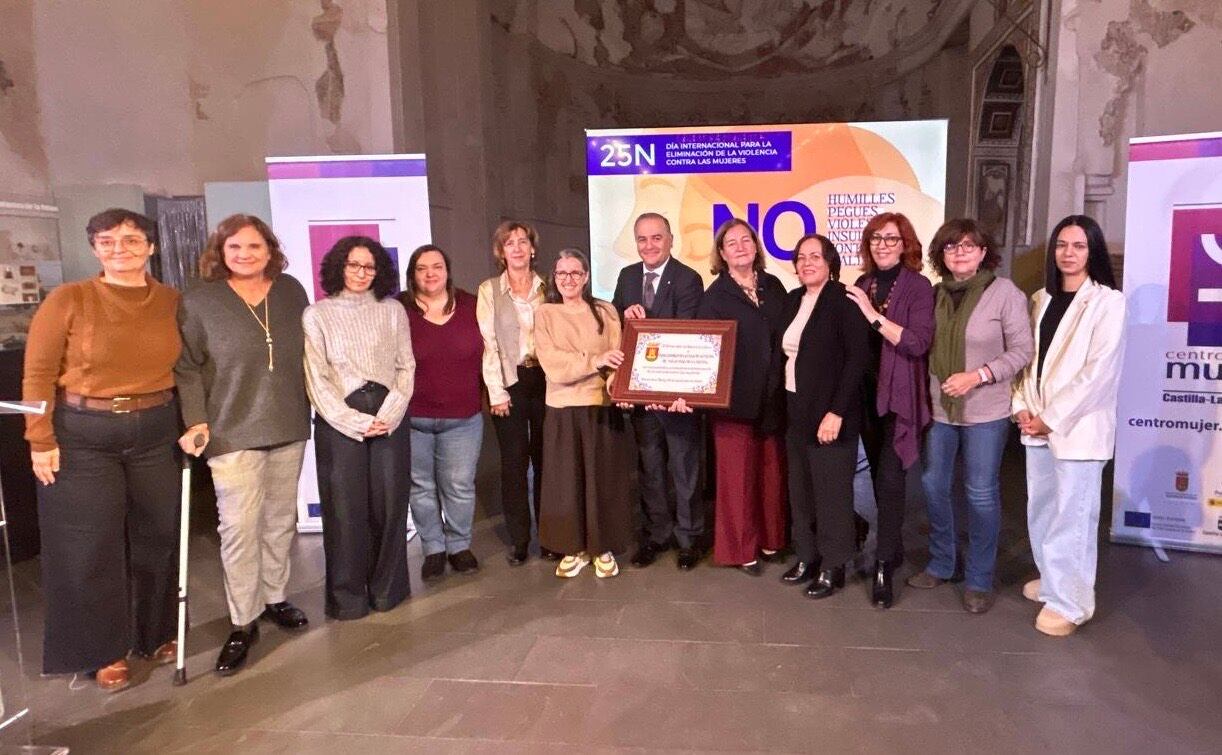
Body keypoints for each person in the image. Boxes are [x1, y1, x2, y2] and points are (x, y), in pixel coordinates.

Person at [22, 209, 179, 691]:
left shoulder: (171, 300)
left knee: (159, 532)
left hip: (156, 427)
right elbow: (36, 374)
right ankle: (100, 650)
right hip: (83, 432)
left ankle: (155, 633)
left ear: (151, 247)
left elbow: (189, 364)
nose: (120, 249)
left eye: (131, 240)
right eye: (107, 241)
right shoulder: (70, 298)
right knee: (90, 545)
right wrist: (39, 438)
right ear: (94, 248)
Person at [176, 214, 311, 675]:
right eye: (235, 248)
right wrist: (195, 419)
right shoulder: (200, 302)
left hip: (290, 422)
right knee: (238, 529)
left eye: (254, 247)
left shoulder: (291, 291)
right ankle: (243, 619)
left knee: (278, 522)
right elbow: (187, 366)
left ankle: (275, 597)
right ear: (221, 253)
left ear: (270, 250)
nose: (245, 255)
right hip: (231, 431)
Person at [908, 219, 1033, 614]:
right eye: (950, 247)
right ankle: (943, 562)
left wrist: (977, 376)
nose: (959, 252)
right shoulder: (933, 295)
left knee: (980, 494)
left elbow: (1022, 351)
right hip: (940, 410)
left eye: (968, 245)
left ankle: (979, 578)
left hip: (986, 412)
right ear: (940, 255)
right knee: (932, 485)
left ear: (983, 252)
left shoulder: (1004, 293)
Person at [1012, 215, 1124, 636]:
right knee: (1041, 509)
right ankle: (1054, 579)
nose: (1069, 253)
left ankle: (1071, 602)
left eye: (1078, 245)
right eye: (1062, 245)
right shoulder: (1041, 298)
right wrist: (1022, 407)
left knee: (1072, 518)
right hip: (1036, 425)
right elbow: (1028, 361)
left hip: (1077, 429)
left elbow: (1098, 374)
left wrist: (1050, 419)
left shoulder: (1108, 303)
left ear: (1092, 251)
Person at [304, 236, 414, 620]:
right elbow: (316, 378)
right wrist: (353, 421)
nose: (361, 273)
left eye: (369, 267)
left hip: (389, 413)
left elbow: (406, 366)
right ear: (338, 266)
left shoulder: (392, 311)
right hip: (340, 419)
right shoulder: (317, 314)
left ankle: (388, 591)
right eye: (354, 265)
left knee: (389, 505)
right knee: (344, 511)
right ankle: (347, 599)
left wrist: (392, 412)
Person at [846, 212, 934, 608]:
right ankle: (892, 546)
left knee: (891, 480)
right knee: (882, 484)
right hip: (865, 397)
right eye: (876, 238)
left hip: (898, 397)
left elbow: (916, 342)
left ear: (906, 244)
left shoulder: (917, 286)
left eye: (892, 239)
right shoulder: (863, 283)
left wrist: (872, 315)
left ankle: (884, 565)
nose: (883, 244)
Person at [612, 212, 705, 569]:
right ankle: (657, 535)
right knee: (650, 468)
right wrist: (625, 316)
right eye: (642, 239)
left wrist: (645, 323)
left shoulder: (688, 279)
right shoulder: (627, 277)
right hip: (640, 392)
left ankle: (688, 538)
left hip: (677, 393)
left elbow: (686, 335)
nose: (648, 245)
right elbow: (617, 326)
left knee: (684, 468)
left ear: (670, 240)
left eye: (656, 238)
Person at [535, 249, 634, 578]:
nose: (568, 280)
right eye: (561, 274)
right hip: (562, 407)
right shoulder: (545, 313)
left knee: (601, 481)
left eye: (575, 273)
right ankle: (573, 548)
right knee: (567, 483)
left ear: (587, 276)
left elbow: (618, 358)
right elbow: (553, 365)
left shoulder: (605, 310)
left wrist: (617, 388)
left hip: (600, 405)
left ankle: (601, 546)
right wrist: (594, 360)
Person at [697, 218, 789, 575]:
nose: (739, 247)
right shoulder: (714, 297)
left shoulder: (774, 286)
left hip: (774, 396)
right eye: (731, 243)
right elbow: (705, 351)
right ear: (721, 253)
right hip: (733, 401)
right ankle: (740, 549)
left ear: (756, 246)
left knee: (771, 473)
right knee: (737, 479)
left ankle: (772, 540)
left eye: (745, 240)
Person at [780, 234, 870, 597]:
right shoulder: (791, 301)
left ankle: (834, 566)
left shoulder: (843, 300)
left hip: (830, 413)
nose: (807, 263)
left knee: (832, 494)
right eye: (801, 257)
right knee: (801, 491)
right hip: (795, 409)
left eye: (815, 256)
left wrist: (837, 413)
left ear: (830, 262)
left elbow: (857, 360)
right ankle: (806, 556)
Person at [400, 244, 483, 580]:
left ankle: (459, 545)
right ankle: (433, 548)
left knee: (459, 485)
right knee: (420, 487)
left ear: (448, 270)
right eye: (421, 268)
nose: (430, 274)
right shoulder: (397, 309)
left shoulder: (472, 306)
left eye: (436, 266)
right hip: (412, 417)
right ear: (412, 274)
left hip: (462, 417)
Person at [477, 221, 551, 565]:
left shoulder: (549, 287)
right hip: (510, 381)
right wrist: (496, 392)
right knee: (514, 463)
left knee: (547, 461)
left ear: (533, 248)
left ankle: (550, 537)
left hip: (548, 381)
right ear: (500, 252)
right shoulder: (489, 291)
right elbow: (488, 344)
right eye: (510, 243)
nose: (518, 248)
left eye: (523, 242)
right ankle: (520, 540)